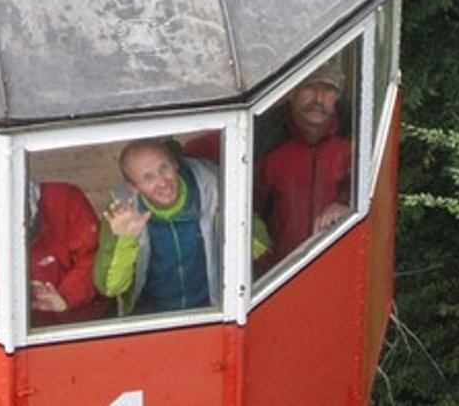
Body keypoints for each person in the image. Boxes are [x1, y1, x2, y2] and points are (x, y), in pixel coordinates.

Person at [93, 139, 268, 315]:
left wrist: (228, 215)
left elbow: (261, 249)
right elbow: (110, 288)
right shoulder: (122, 209)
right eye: (148, 177)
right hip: (152, 315)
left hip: (214, 310)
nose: (162, 182)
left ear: (175, 164)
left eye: (164, 168)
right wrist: (126, 241)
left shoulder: (214, 185)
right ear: (133, 187)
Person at [0, 171, 109, 326]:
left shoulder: (63, 199)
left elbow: (98, 259)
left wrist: (65, 297)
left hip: (92, 323)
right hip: (26, 338)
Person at [254, 62, 353, 268]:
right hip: (279, 276)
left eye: (328, 90)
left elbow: (377, 182)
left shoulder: (354, 135)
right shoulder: (264, 139)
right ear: (292, 92)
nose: (318, 99)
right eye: (309, 87)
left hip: (339, 267)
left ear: (337, 97)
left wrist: (345, 202)